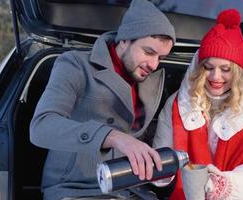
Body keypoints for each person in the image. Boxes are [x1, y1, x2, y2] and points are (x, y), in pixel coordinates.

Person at [30, 0, 175, 199]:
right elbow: (41, 127)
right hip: (75, 188)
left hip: (129, 188)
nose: (153, 64)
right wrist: (113, 137)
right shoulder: (76, 65)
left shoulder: (152, 82)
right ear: (124, 40)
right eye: (149, 52)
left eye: (161, 58)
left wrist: (158, 167)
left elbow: (146, 138)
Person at [153, 9, 243, 200]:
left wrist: (227, 186)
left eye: (225, 69)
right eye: (208, 67)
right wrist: (157, 169)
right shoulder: (178, 105)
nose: (215, 77)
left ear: (237, 72)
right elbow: (162, 163)